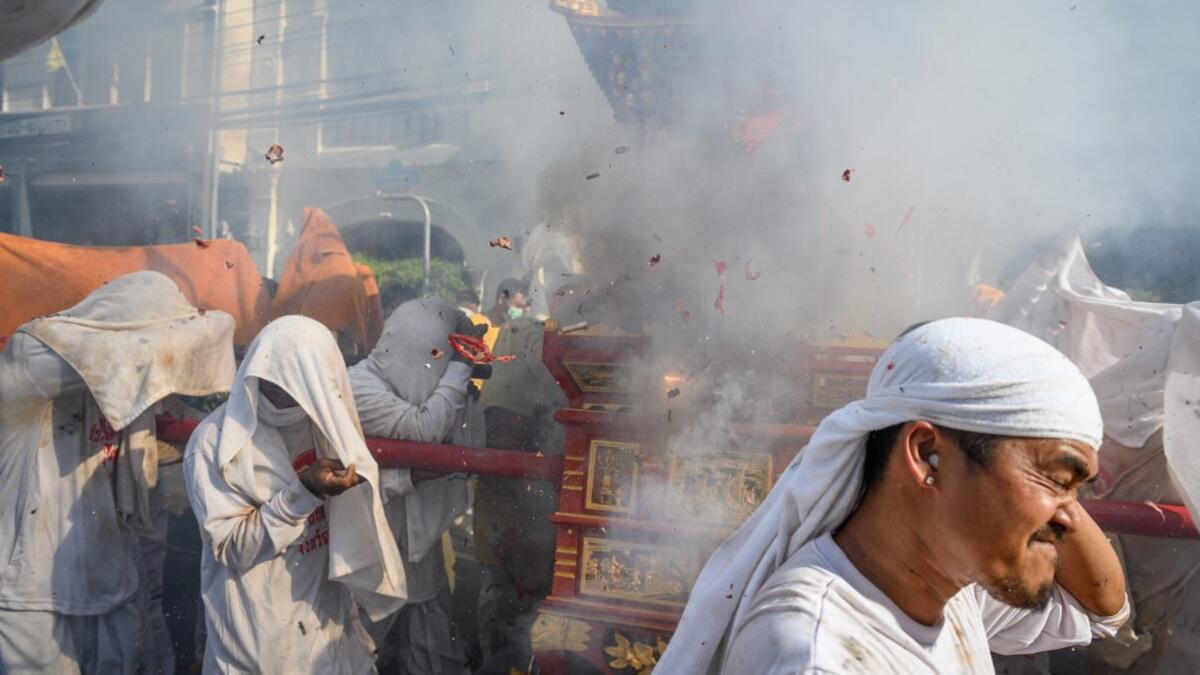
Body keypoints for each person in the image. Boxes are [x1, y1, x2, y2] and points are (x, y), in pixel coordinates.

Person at [657, 318, 1130, 674]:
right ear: (927, 456)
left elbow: (1102, 607)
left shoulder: (944, 586)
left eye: (1078, 489)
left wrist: (1055, 484)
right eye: (1054, 478)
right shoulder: (818, 656)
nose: (1070, 520)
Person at [0, 271, 236, 674]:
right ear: (129, 321)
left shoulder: (129, 379)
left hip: (110, 578)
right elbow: (143, 351)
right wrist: (196, 322)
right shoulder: (34, 350)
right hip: (32, 591)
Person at [184, 315, 407, 674]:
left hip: (326, 627)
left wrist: (404, 480)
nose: (280, 390)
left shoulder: (323, 423)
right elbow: (231, 547)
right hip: (259, 642)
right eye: (273, 379)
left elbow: (354, 499)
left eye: (295, 380)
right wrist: (303, 493)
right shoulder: (216, 441)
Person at [348, 298, 487, 674]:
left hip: (418, 547)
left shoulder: (438, 387)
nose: (443, 378)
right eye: (439, 366)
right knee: (356, 651)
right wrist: (457, 375)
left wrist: (463, 392)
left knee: (436, 655)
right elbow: (424, 430)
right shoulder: (358, 386)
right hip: (369, 549)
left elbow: (469, 455)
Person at [474, 311, 569, 674]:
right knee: (509, 635)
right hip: (513, 527)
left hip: (549, 525)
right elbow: (499, 428)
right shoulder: (523, 338)